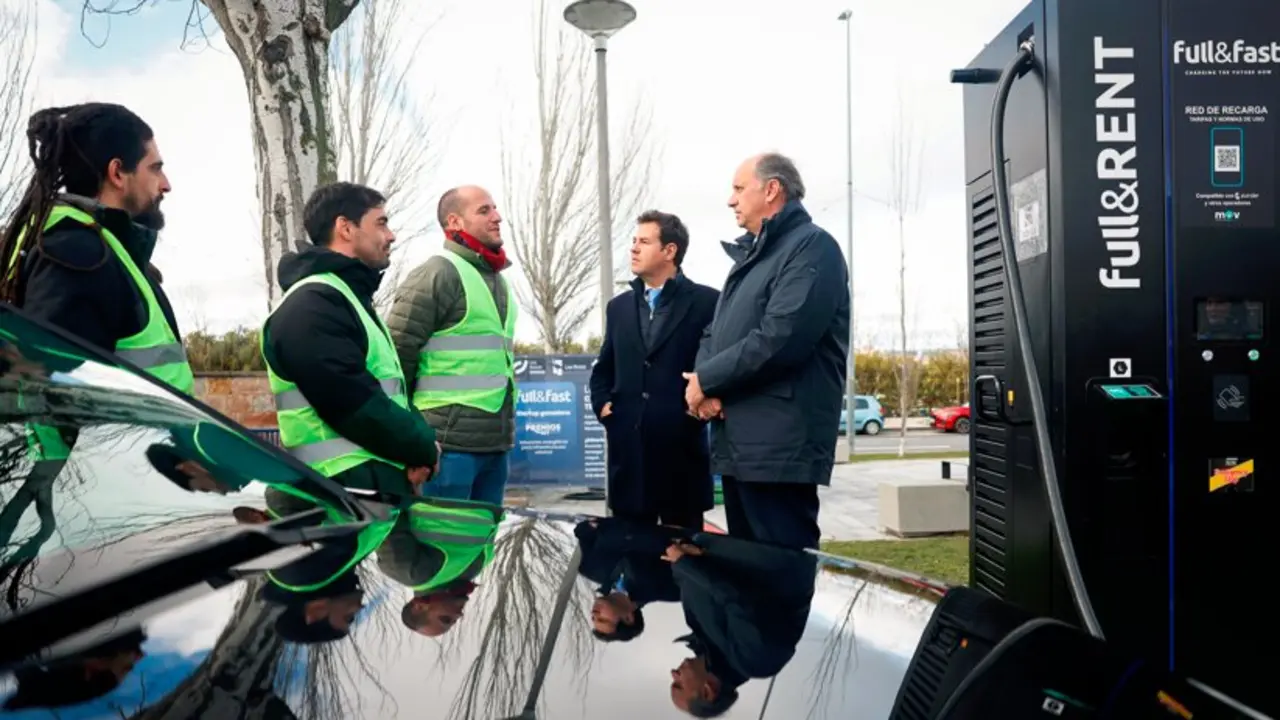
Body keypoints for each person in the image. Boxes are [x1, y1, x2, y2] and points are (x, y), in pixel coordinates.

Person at [685, 153, 850, 550]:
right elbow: (716, 331)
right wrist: (704, 388)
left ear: (772, 189)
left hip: (779, 449)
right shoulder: (754, 256)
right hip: (742, 443)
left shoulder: (812, 248)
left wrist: (707, 379)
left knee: (779, 577)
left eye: (740, 189)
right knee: (746, 581)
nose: (731, 200)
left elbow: (782, 337)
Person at [260, 182, 440, 496]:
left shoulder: (348, 299)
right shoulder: (313, 304)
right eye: (381, 223)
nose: (391, 235)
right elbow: (354, 404)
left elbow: (389, 392)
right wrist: (422, 447)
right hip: (335, 496)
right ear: (345, 227)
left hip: (364, 489)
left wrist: (419, 447)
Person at [0, 103, 191, 393]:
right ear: (117, 173)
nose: (166, 185)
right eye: (155, 169)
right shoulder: (78, 255)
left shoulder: (98, 250)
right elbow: (55, 407)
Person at [386, 185, 516, 506]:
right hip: (446, 449)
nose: (497, 217)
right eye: (484, 210)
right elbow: (394, 361)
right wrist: (410, 441)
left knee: (478, 548)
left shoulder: (498, 281)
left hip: (494, 448)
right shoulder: (437, 273)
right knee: (443, 548)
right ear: (454, 222)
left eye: (495, 208)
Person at [589, 210, 719, 529]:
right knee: (633, 568)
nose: (633, 248)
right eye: (633, 241)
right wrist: (604, 407)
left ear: (669, 251)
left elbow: (717, 365)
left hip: (681, 463)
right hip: (628, 464)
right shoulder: (618, 307)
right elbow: (604, 368)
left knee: (685, 568)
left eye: (644, 242)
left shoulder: (709, 302)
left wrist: (696, 411)